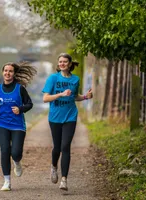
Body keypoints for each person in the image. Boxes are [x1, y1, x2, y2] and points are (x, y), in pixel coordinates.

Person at [42, 53, 93, 191]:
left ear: (70, 64)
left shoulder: (75, 79)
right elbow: (45, 98)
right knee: (57, 147)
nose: (62, 64)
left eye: (65, 61)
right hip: (55, 117)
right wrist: (60, 94)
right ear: (58, 64)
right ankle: (53, 166)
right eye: (60, 62)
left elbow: (74, 96)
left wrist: (85, 97)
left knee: (66, 146)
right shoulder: (53, 78)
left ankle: (64, 180)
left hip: (70, 116)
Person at [0, 62, 37, 191]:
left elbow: (29, 104)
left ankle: (17, 163)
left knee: (15, 153)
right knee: (4, 150)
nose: (7, 73)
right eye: (5, 71)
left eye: (10, 71)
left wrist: (20, 109)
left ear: (14, 74)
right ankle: (7, 182)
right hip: (2, 124)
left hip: (18, 126)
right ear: (2, 72)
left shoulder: (20, 89)